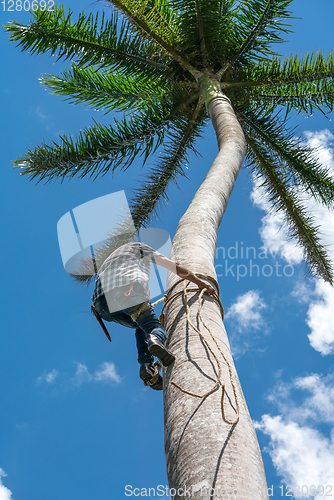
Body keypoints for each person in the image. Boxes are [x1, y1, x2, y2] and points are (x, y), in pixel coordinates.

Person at [92, 240, 216, 390]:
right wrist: (200, 283)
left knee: (140, 325)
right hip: (127, 289)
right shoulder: (138, 247)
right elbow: (174, 267)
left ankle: (146, 365)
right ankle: (155, 339)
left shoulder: (109, 260)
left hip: (102, 306)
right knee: (154, 328)